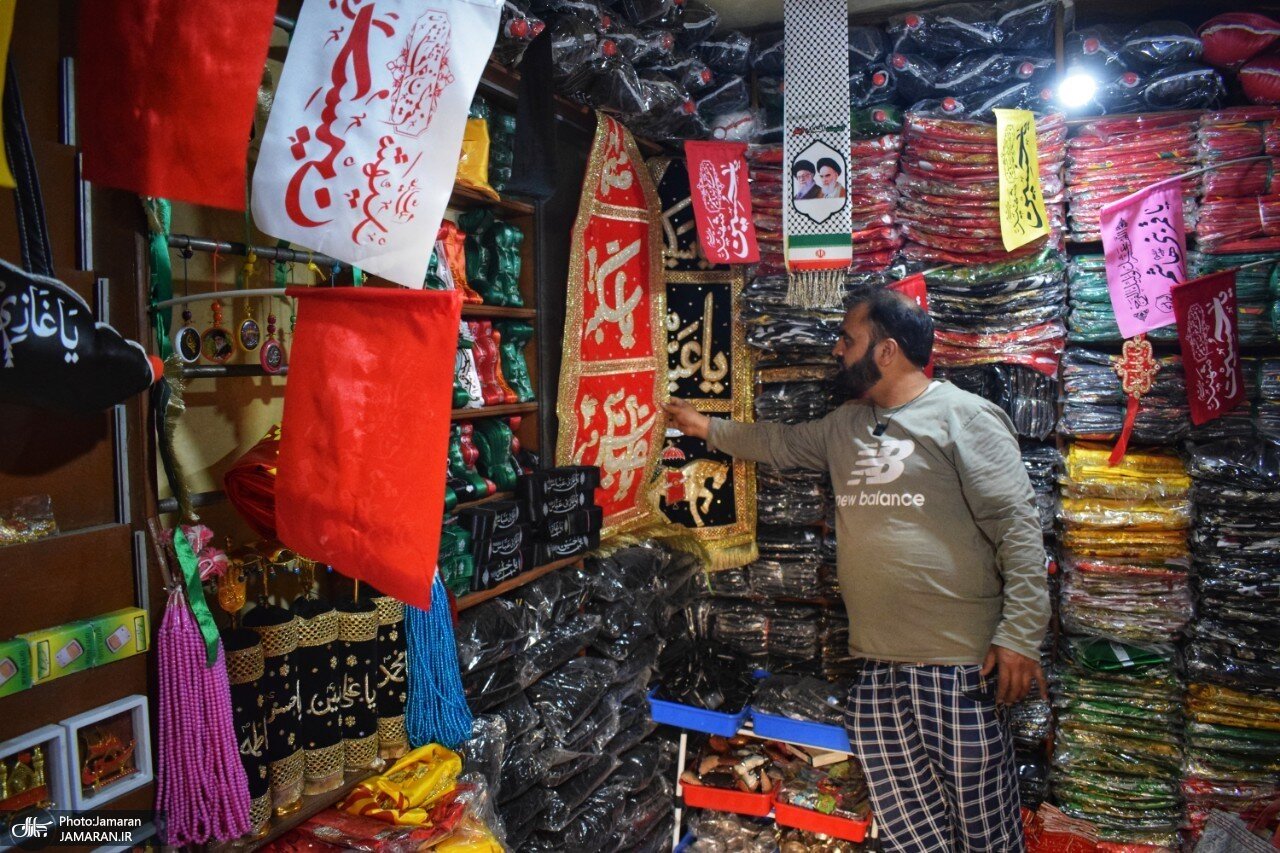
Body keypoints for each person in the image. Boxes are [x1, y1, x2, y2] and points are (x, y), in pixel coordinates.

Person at [662, 288, 1049, 853]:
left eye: (849, 339)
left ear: (887, 350)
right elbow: (781, 443)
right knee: (912, 832)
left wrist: (1019, 636)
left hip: (957, 666)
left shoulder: (963, 418)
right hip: (877, 668)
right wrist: (705, 428)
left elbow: (1017, 528)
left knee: (983, 831)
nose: (838, 350)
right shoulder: (846, 423)